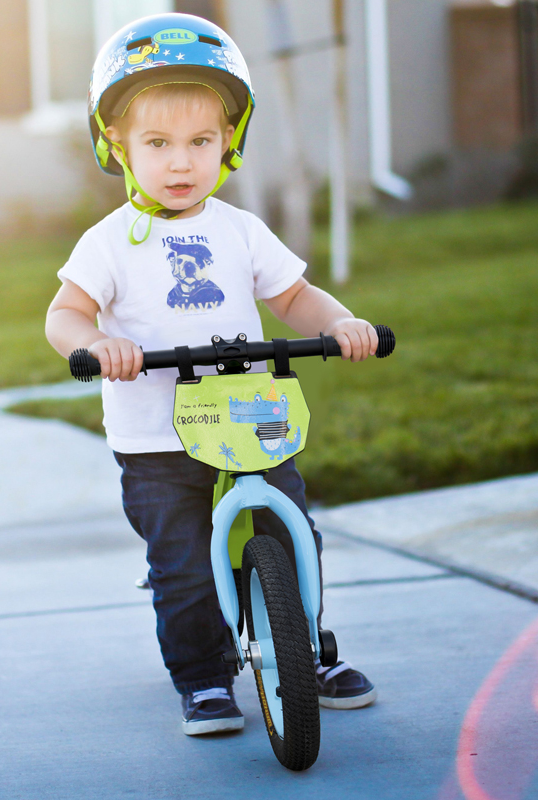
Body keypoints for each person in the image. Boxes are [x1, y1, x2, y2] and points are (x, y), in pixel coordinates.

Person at [46, 13, 377, 735]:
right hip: (156, 439)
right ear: (117, 145)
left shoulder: (239, 228)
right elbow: (64, 313)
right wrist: (96, 343)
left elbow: (293, 295)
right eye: (158, 144)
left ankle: (309, 653)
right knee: (185, 567)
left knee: (291, 537)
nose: (180, 162)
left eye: (200, 142)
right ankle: (202, 678)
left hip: (250, 413)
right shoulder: (109, 244)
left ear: (229, 142)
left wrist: (339, 322)